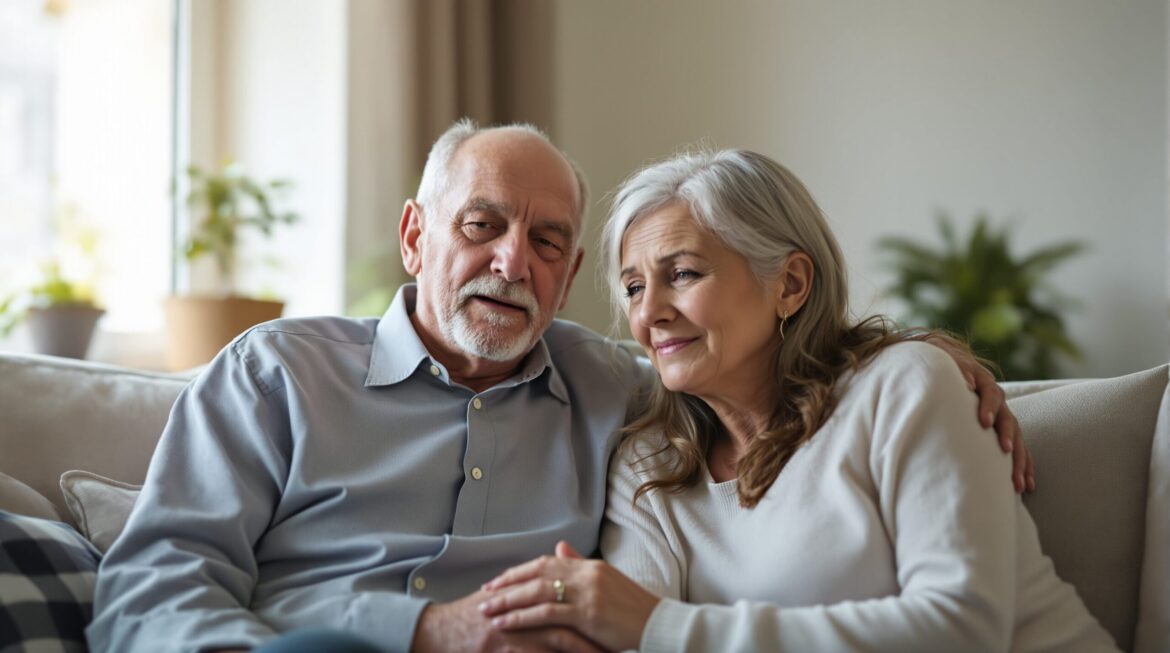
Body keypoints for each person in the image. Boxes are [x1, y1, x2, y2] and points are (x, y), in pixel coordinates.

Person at [89, 125, 1028, 653]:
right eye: (482, 224)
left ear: (568, 272)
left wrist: (931, 356)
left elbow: (755, 361)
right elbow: (145, 594)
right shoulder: (277, 373)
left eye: (545, 243)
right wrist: (414, 631)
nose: (510, 261)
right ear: (417, 238)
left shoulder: (624, 397)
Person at [479, 149, 1115, 652]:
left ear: (790, 283)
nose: (650, 314)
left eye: (683, 274)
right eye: (634, 286)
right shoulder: (650, 463)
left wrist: (662, 629)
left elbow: (962, 630)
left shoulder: (904, 387)